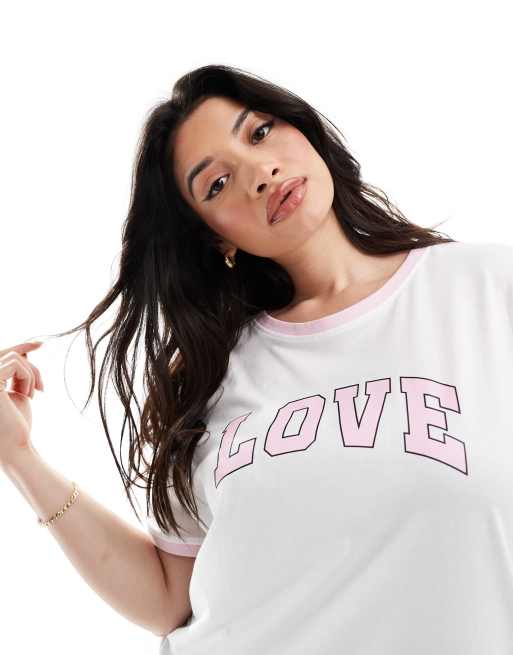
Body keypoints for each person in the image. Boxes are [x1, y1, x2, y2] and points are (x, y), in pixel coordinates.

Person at [1, 63, 513, 654]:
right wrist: (20, 458)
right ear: (217, 237)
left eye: (260, 133)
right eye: (217, 184)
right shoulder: (208, 374)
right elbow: (168, 599)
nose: (259, 173)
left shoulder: (486, 289)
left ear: (302, 129)